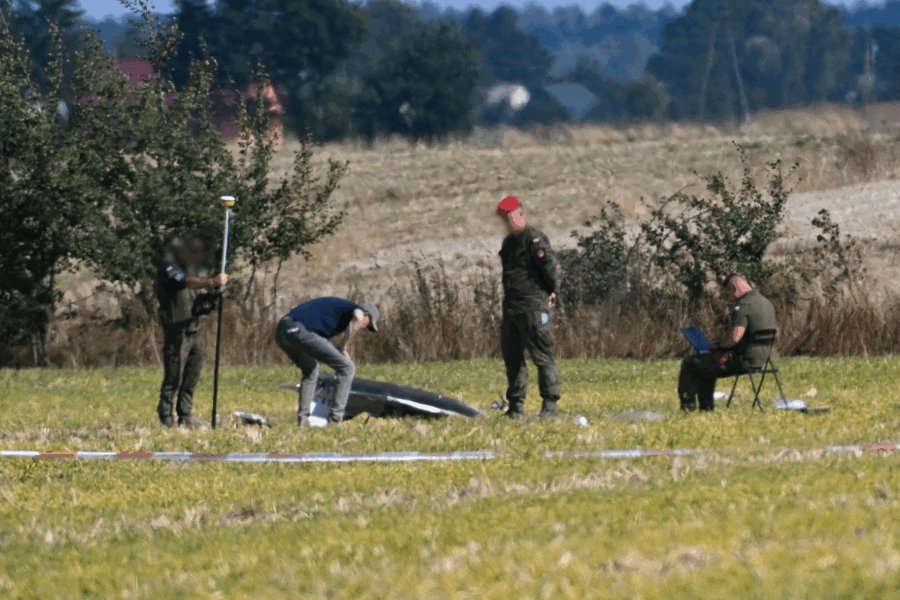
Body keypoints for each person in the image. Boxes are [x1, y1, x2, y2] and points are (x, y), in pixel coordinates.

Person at [496, 195, 561, 418]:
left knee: (542, 357)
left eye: (509, 217)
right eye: (503, 219)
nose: (506, 223)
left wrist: (551, 290)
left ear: (519, 214)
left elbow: (549, 268)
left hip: (533, 306)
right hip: (512, 308)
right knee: (513, 358)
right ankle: (516, 406)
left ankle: (550, 405)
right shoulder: (508, 244)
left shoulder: (534, 239)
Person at [155, 234, 228, 427]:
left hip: (194, 329)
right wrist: (211, 282)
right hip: (177, 330)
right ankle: (166, 416)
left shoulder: (192, 271)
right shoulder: (169, 267)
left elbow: (197, 303)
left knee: (192, 375)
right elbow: (184, 282)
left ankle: (185, 415)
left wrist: (213, 297)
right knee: (174, 376)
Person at [678, 273, 777, 412]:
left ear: (733, 288)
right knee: (707, 363)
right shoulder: (766, 303)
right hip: (762, 359)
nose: (729, 298)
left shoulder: (743, 306)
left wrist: (717, 346)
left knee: (691, 362)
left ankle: (690, 408)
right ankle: (706, 408)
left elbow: (734, 337)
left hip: (742, 361)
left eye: (728, 293)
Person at [275, 297, 379, 426]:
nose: (364, 327)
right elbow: (357, 316)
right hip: (299, 330)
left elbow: (295, 309)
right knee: (347, 368)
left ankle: (303, 421)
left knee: (311, 370)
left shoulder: (336, 310)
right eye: (367, 324)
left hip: (282, 331)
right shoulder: (355, 310)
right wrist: (344, 346)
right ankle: (335, 420)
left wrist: (339, 349)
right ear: (366, 314)